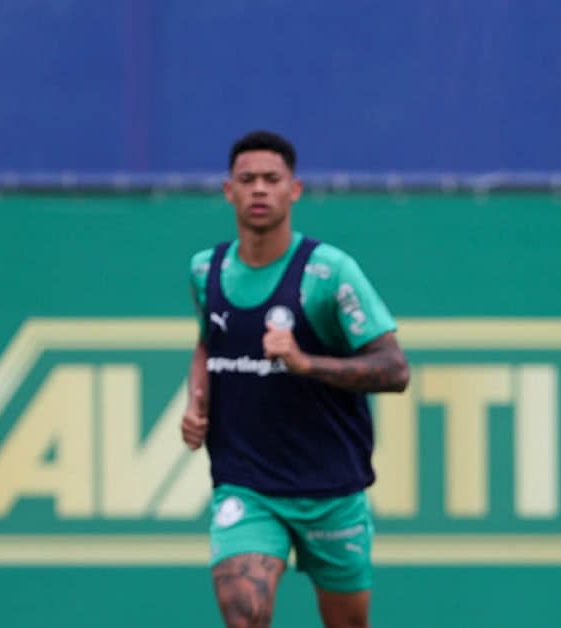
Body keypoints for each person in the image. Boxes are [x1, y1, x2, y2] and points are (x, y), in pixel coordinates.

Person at [180, 130, 409, 628]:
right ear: (228, 191)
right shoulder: (206, 270)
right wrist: (196, 401)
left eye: (271, 179)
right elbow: (207, 343)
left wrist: (306, 364)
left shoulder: (329, 272)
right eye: (247, 179)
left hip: (330, 487)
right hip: (247, 483)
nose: (259, 189)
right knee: (244, 611)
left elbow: (395, 370)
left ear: (295, 189)